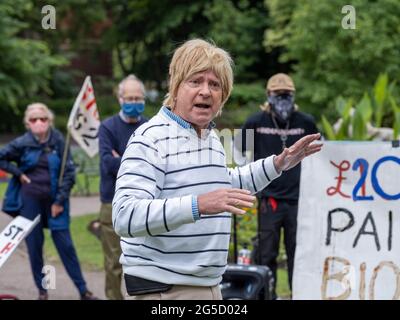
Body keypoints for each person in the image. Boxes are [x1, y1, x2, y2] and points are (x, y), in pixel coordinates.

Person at [112, 39, 322, 300]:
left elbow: (226, 186)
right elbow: (125, 216)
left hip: (204, 284)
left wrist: (278, 164)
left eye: (215, 84)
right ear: (176, 86)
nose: (206, 91)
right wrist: (199, 204)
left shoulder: (208, 137)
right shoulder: (150, 138)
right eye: (195, 81)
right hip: (164, 288)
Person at [0, 103, 98, 300]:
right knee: (35, 247)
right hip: (30, 201)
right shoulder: (22, 143)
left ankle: (83, 290)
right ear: (27, 123)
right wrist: (18, 173)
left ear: (49, 121)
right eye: (34, 119)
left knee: (66, 246)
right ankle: (43, 291)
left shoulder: (59, 140)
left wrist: (60, 200)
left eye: (43, 119)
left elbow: (68, 172)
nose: (39, 122)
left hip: (56, 202)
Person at [239, 73, 319, 299]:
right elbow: (238, 152)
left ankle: (299, 294)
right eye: (278, 94)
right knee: (267, 253)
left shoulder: (306, 122)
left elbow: (318, 157)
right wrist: (246, 187)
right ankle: (267, 295)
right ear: (268, 96)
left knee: (298, 253)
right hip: (269, 199)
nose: (283, 99)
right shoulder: (256, 122)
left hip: (298, 200)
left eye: (287, 95)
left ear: (294, 96)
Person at [97, 75, 148, 300]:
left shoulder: (149, 126)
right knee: (114, 261)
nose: (134, 101)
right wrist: (137, 161)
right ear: (120, 99)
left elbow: (156, 163)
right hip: (112, 202)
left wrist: (123, 158)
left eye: (138, 98)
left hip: (146, 202)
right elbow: (108, 164)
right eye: (129, 97)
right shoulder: (107, 127)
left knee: (144, 260)